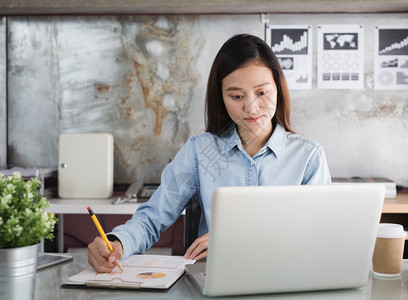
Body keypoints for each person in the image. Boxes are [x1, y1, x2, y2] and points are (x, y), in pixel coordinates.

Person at [87, 33, 331, 273]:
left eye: (262, 92)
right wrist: (117, 243)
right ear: (221, 97)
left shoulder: (308, 157)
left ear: (278, 88)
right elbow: (153, 217)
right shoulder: (200, 152)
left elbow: (319, 236)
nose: (251, 107)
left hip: (286, 279)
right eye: (236, 96)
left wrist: (233, 240)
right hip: (215, 282)